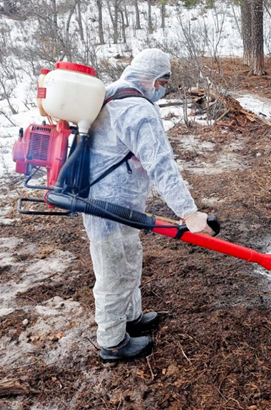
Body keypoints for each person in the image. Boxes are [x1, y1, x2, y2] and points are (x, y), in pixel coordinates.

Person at [83, 48, 213, 362]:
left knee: (128, 259)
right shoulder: (137, 109)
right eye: (164, 83)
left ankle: (131, 317)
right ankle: (112, 342)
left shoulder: (112, 93)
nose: (162, 89)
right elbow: (161, 165)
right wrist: (189, 213)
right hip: (108, 206)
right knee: (114, 271)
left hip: (117, 202)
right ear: (156, 80)